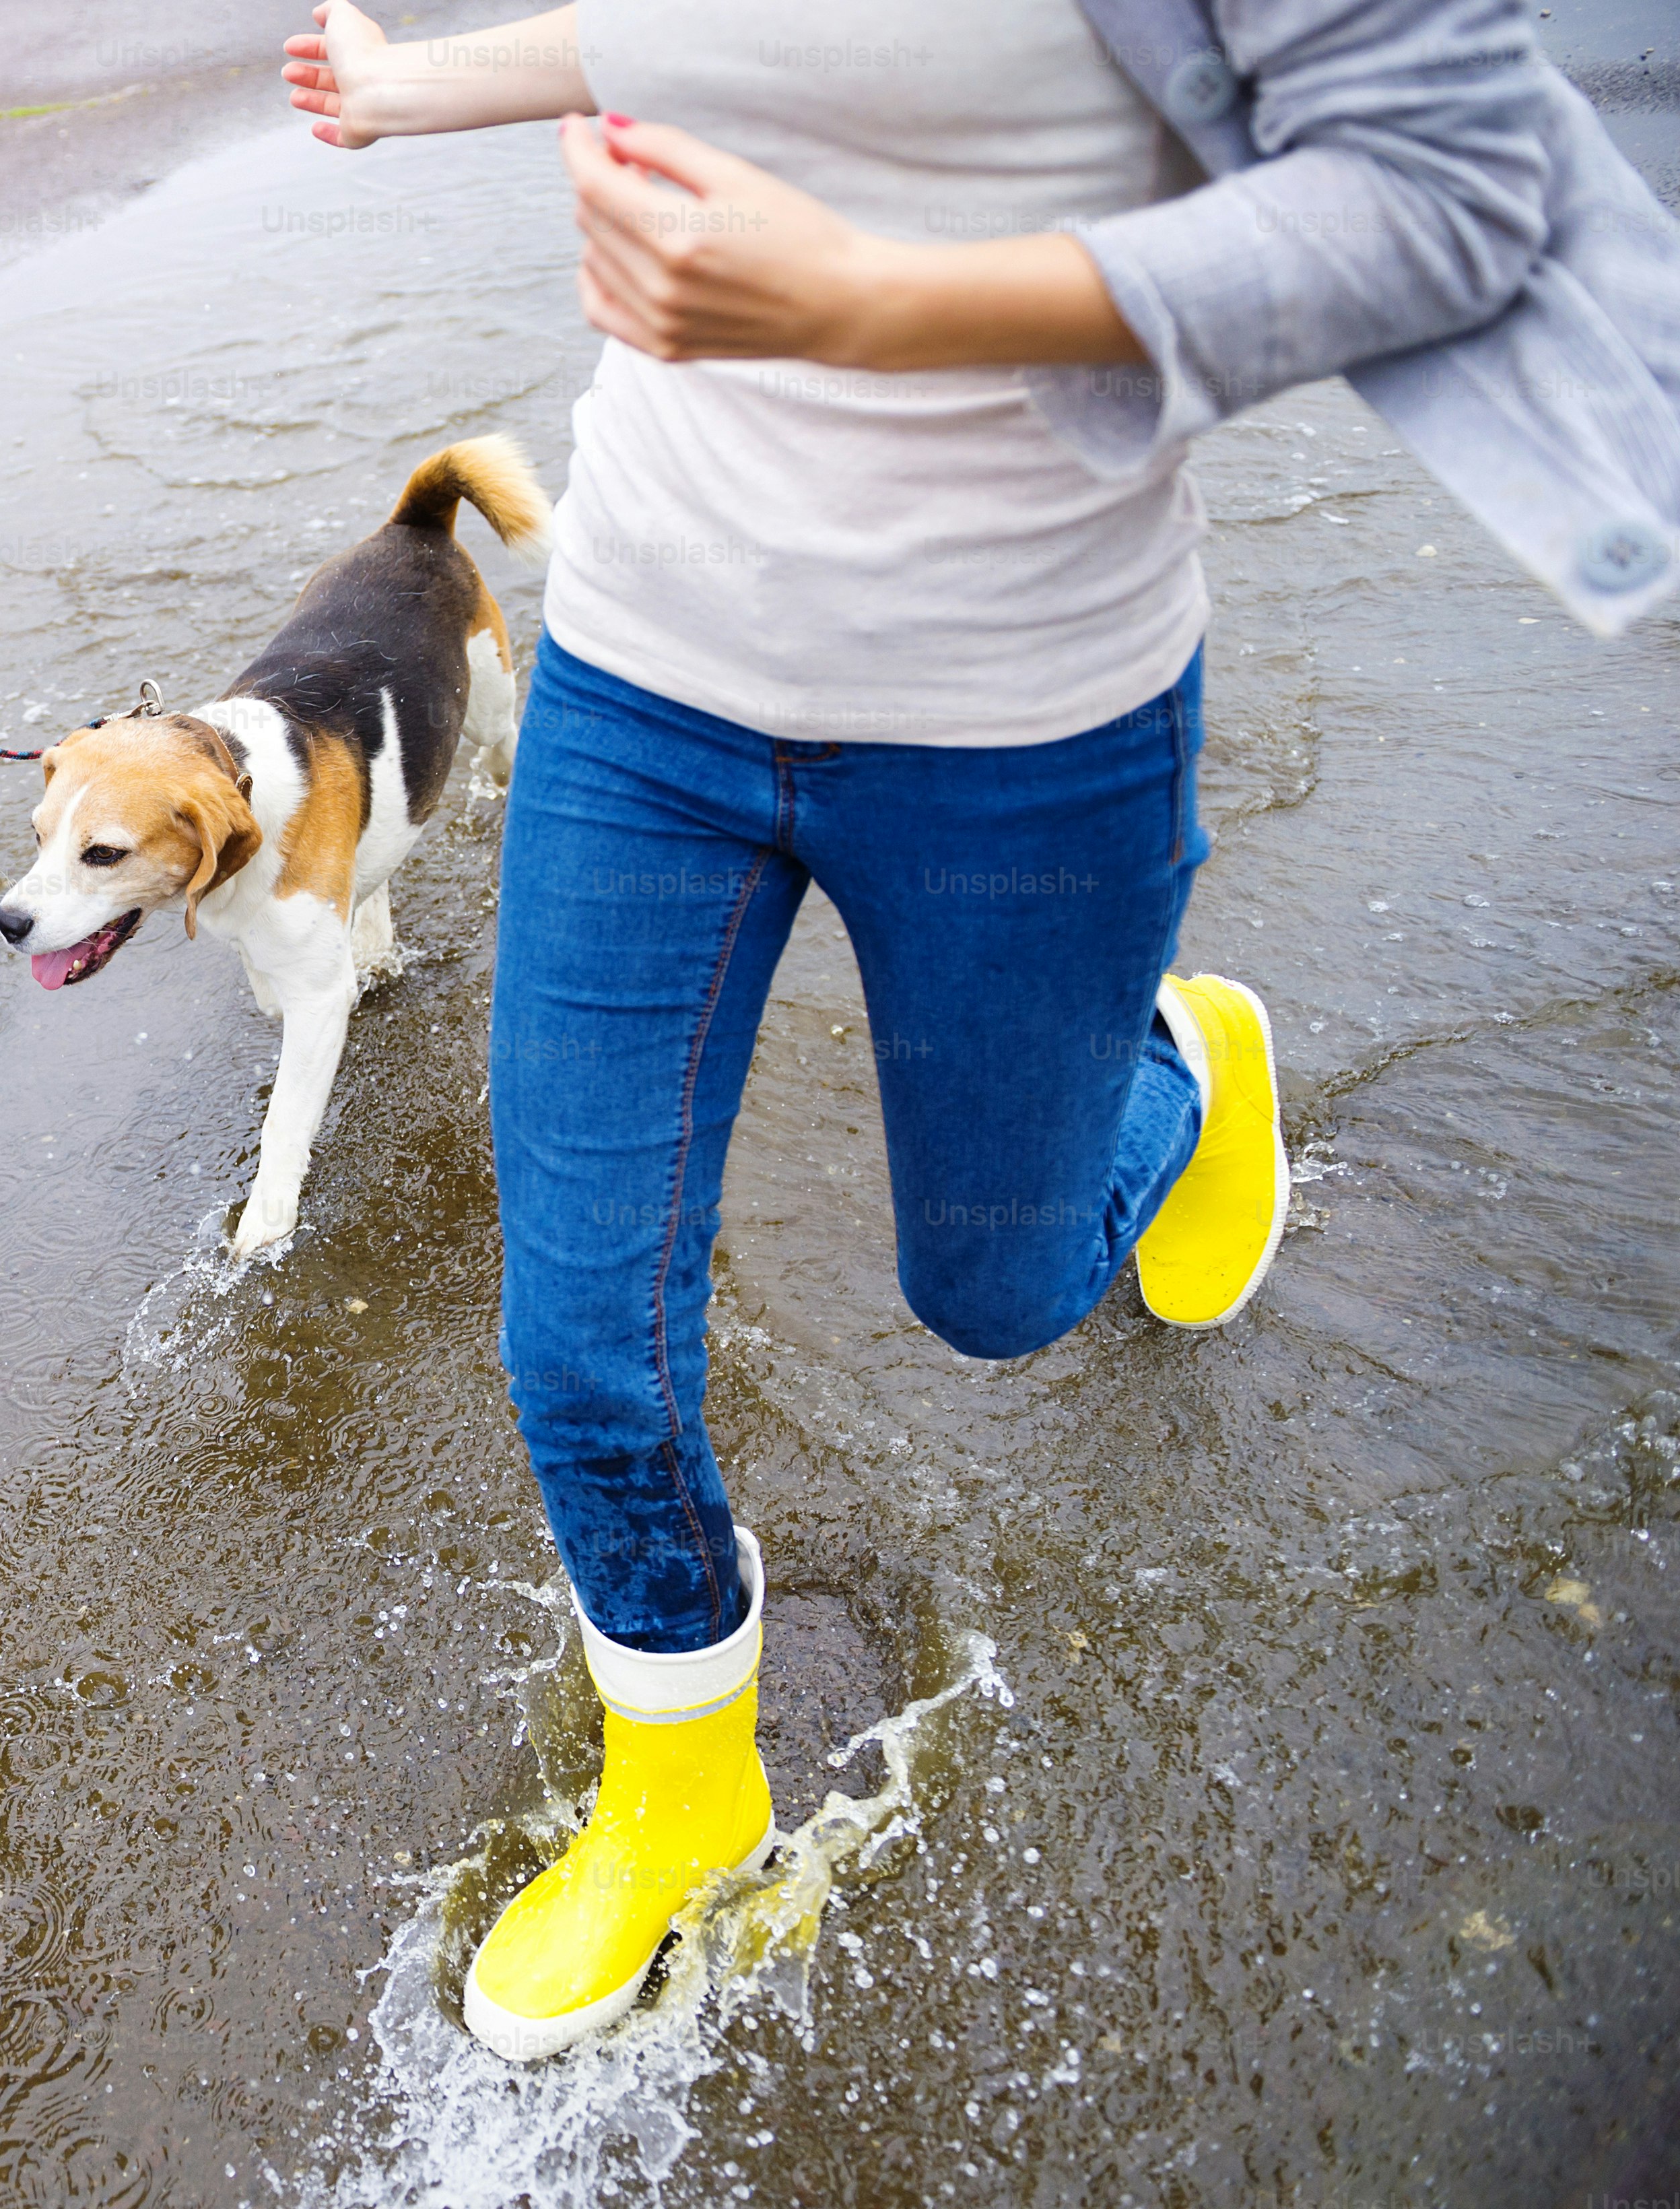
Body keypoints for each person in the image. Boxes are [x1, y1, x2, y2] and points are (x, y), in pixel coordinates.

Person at [281, 0, 1680, 2059]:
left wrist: (876, 301)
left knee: (1005, 1294)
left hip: (1028, 720)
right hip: (643, 679)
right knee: (579, 1333)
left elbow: (1446, 198)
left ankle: (1184, 1077)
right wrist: (429, 80)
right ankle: (681, 1784)